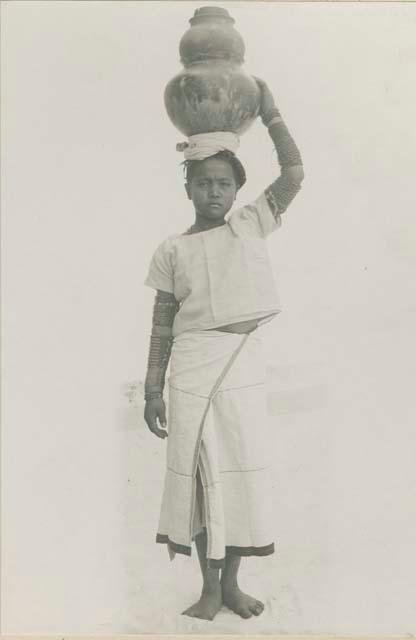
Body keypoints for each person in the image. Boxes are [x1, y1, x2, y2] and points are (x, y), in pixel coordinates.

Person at [143, 78, 304, 621]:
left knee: (237, 472)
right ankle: (208, 588)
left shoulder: (251, 223)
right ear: (187, 188)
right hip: (189, 372)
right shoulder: (171, 249)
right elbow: (162, 325)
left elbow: (294, 174)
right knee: (199, 474)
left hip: (240, 369)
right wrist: (150, 389)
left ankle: (232, 584)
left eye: (223, 184)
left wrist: (273, 113)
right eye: (203, 183)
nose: (214, 192)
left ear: (237, 190)